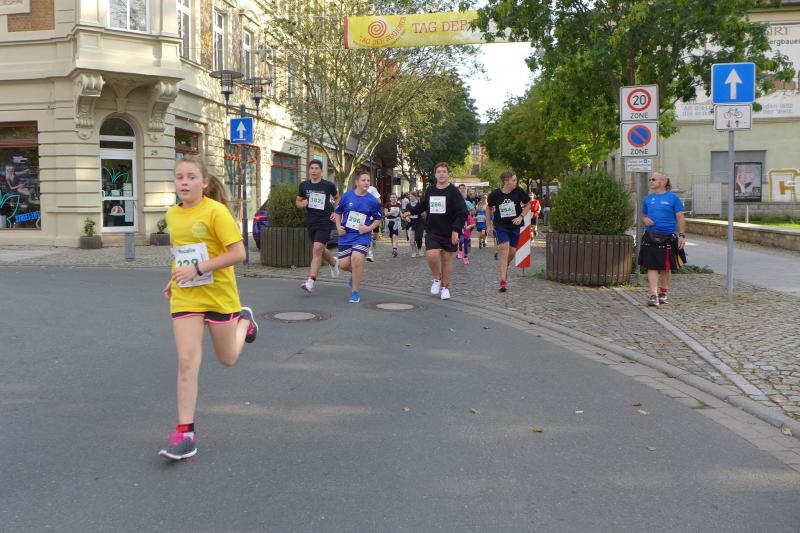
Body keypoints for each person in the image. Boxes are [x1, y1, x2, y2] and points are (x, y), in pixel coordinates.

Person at [158, 156, 259, 461]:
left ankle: (244, 320)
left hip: (219, 296)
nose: (184, 182)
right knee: (187, 361)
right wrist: (174, 277)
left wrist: (198, 269)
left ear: (203, 182)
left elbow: (238, 253)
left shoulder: (216, 212)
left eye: (191, 177)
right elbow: (183, 252)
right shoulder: (172, 214)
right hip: (187, 296)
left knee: (228, 359)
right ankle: (185, 434)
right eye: (179, 177)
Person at [402, 163, 467, 300]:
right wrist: (410, 211)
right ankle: (437, 278)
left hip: (449, 232)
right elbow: (422, 205)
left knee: (446, 261)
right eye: (439, 171)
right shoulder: (431, 190)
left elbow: (462, 213)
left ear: (448, 174)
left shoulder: (453, 192)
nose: (441, 174)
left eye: (444, 171)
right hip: (433, 230)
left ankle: (445, 287)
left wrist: (456, 230)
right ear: (435, 174)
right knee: (431, 255)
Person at [334, 170, 382, 303]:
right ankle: (355, 273)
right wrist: (338, 226)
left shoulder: (372, 200)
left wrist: (369, 228)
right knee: (344, 265)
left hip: (362, 235)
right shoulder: (347, 196)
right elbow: (338, 212)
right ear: (356, 182)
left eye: (368, 180)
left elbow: (378, 218)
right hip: (346, 235)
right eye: (363, 180)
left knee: (356, 258)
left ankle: (355, 292)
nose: (366, 183)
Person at [639, 171, 686, 307]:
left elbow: (680, 217)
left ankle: (663, 292)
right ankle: (653, 295)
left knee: (666, 267)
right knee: (652, 266)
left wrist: (682, 235)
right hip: (650, 236)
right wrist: (645, 220)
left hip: (668, 237)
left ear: (663, 182)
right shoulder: (648, 199)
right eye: (650, 179)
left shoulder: (673, 198)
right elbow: (643, 215)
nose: (651, 181)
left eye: (653, 179)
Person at [296, 159, 340, 293]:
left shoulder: (328, 185)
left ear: (321, 171)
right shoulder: (304, 185)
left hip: (325, 220)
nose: (314, 171)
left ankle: (310, 281)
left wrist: (336, 211)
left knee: (317, 248)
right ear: (309, 170)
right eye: (312, 168)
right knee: (320, 249)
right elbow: (298, 201)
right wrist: (302, 204)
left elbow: (337, 198)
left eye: (316, 168)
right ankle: (333, 262)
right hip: (312, 221)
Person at [487, 171, 531, 292]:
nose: (516, 182)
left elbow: (528, 204)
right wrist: (488, 225)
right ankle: (503, 280)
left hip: (514, 225)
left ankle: (505, 266)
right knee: (504, 247)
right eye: (514, 180)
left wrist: (521, 217)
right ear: (506, 181)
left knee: (512, 251)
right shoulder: (495, 194)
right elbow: (488, 208)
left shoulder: (519, 191)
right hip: (500, 225)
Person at [406, 190, 424, 257]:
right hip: (411, 223)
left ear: (415, 197)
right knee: (411, 238)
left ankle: (419, 249)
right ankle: (413, 251)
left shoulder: (419, 204)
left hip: (419, 222)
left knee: (418, 237)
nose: (410, 197)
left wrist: (422, 214)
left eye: (412, 196)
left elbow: (423, 213)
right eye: (410, 196)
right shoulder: (408, 205)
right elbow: (406, 212)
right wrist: (407, 217)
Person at [384, 193, 403, 257]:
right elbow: (385, 214)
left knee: (395, 235)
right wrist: (391, 212)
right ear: (390, 198)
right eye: (392, 197)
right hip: (389, 222)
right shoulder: (387, 204)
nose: (393, 198)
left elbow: (400, 213)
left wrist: (404, 216)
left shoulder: (398, 204)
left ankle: (395, 249)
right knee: (391, 236)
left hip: (396, 221)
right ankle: (393, 247)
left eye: (394, 197)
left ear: (396, 198)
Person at [366, 183, 381, 262]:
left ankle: (374, 240)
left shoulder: (372, 189)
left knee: (375, 234)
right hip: (365, 217)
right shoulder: (356, 191)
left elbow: (379, 201)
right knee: (368, 235)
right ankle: (370, 254)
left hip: (373, 216)